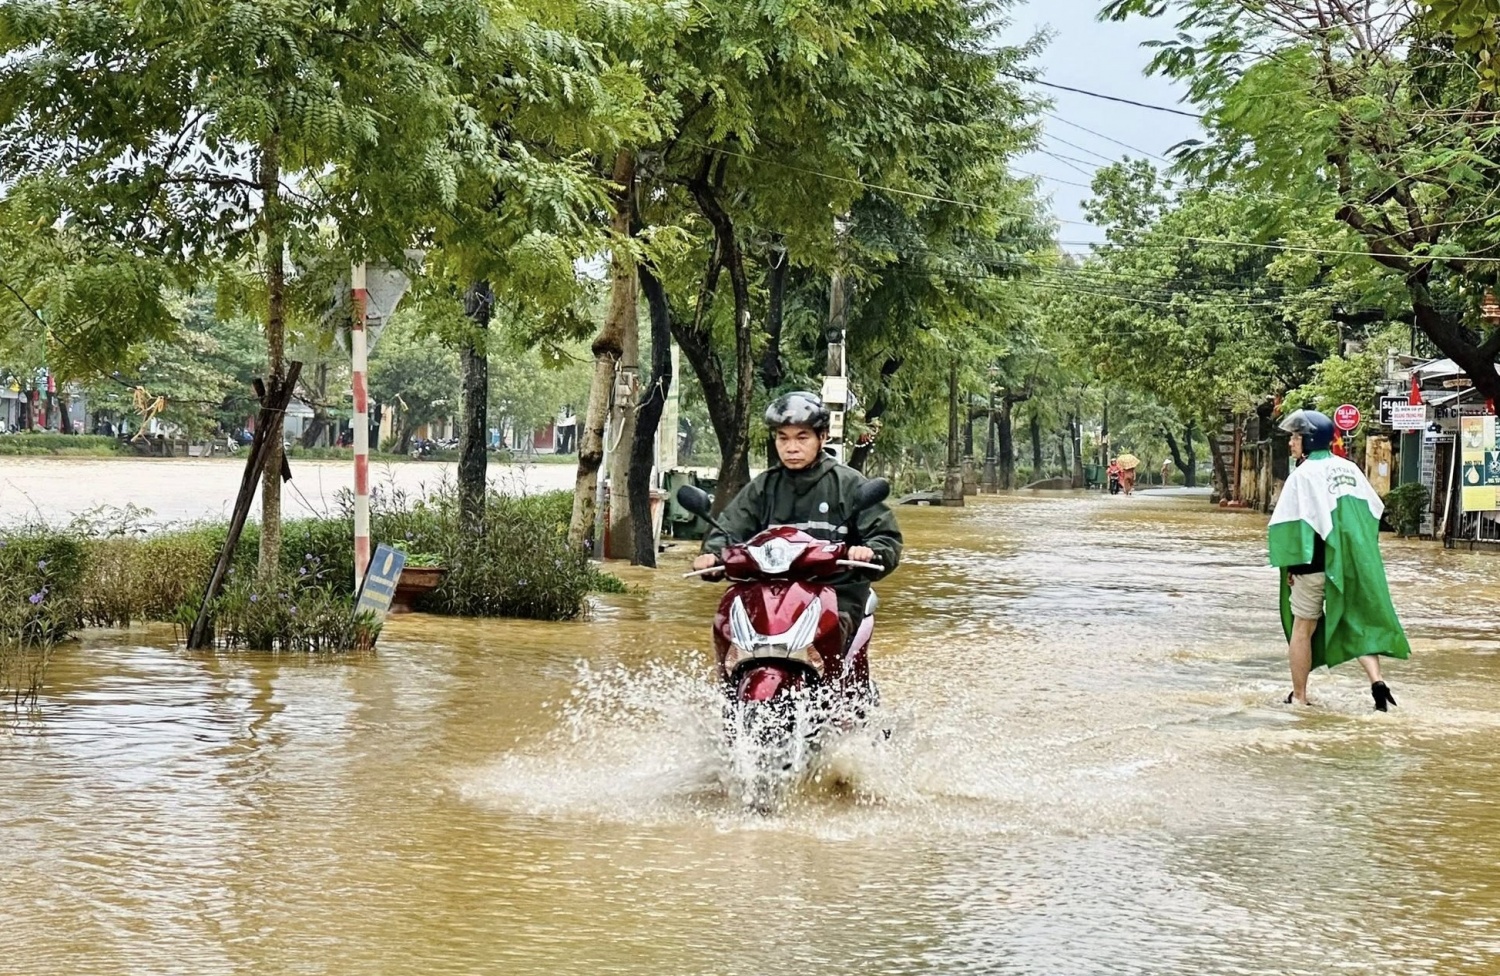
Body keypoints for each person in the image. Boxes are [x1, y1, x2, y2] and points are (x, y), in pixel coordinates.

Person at [692, 391, 903, 656]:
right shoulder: (762, 487)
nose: (791, 447)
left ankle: (834, 693)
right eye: (783, 438)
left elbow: (885, 537)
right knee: (728, 626)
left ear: (822, 437)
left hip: (836, 592)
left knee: (827, 638)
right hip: (768, 593)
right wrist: (712, 556)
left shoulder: (849, 484)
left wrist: (870, 552)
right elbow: (730, 528)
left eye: (802, 437)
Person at [1268, 409, 1409, 709]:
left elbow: (1292, 526)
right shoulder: (1350, 469)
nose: (1291, 442)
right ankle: (1378, 683)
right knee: (1355, 622)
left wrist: (1292, 566)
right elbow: (1373, 511)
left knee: (1302, 628)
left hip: (1314, 566)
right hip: (1349, 564)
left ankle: (1300, 698)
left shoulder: (1302, 475)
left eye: (1295, 437)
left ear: (1308, 440)